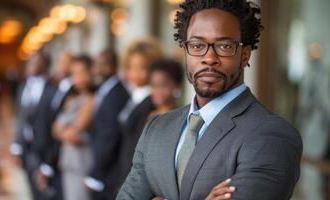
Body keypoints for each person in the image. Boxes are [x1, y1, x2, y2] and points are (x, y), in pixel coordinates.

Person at [117, 0, 302, 200]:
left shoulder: (271, 136)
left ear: (245, 55)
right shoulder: (157, 127)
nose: (209, 57)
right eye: (197, 45)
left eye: (224, 46)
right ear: (186, 51)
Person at [83, 49, 130, 200]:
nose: (97, 69)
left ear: (113, 66)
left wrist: (95, 174)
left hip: (108, 175)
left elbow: (109, 137)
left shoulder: (117, 93)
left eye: (102, 65)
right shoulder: (105, 89)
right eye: (96, 64)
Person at [116, 39, 163, 188]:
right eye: (131, 67)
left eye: (142, 67)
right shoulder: (134, 96)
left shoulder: (152, 101)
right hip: (123, 171)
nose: (135, 73)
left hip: (135, 177)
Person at [10, 51, 56, 200]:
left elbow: (52, 125)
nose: (33, 65)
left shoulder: (53, 90)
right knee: (33, 191)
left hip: (44, 151)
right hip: (26, 149)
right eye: (31, 62)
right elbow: (20, 119)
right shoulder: (23, 87)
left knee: (46, 192)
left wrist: (48, 162)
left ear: (46, 65)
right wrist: (17, 146)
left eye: (38, 62)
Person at [53, 55, 95, 200]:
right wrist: (62, 131)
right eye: (75, 74)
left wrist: (61, 131)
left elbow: (76, 130)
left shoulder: (92, 98)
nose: (80, 78)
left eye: (83, 73)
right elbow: (54, 128)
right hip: (68, 160)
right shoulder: (71, 98)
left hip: (82, 162)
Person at [34, 51, 74, 200]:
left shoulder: (74, 90)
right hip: (48, 150)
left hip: (59, 156)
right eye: (59, 62)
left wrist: (48, 163)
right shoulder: (57, 85)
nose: (60, 66)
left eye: (65, 62)